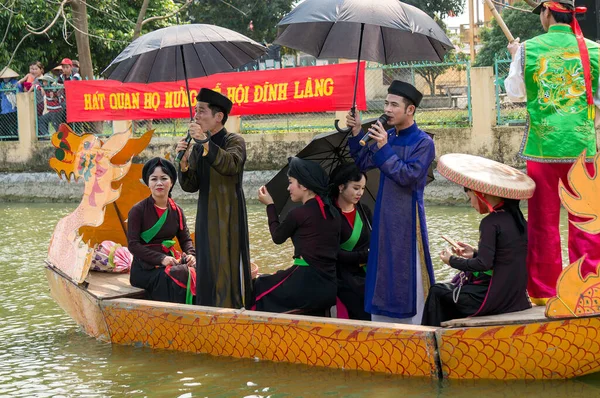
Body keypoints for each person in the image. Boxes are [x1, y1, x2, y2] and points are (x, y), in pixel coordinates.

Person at [504, 0, 600, 304]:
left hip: (543, 150)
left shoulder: (528, 49)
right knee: (585, 222)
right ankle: (587, 290)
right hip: (582, 151)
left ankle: (544, 293)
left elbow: (515, 93)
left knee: (543, 223)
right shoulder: (594, 50)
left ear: (547, 12)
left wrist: (514, 57)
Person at [345, 80, 435, 324]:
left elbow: (408, 176)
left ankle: (415, 329)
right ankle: (382, 327)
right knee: (382, 269)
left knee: (408, 273)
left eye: (394, 105)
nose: (387, 109)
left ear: (410, 110)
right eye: (386, 103)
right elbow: (363, 164)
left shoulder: (424, 143)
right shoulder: (389, 136)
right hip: (384, 218)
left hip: (407, 220)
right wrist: (356, 133)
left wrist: (384, 146)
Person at [421, 154, 534, 326]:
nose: (472, 204)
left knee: (437, 290)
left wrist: (452, 260)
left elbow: (483, 264)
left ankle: (430, 341)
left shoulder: (490, 222)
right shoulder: (519, 220)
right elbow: (504, 257)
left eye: (470, 198)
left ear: (480, 194)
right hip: (515, 296)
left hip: (494, 300)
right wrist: (473, 252)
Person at [176, 88, 252, 309]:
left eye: (201, 111)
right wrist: (183, 164)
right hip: (206, 215)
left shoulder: (234, 140)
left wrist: (205, 142)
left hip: (229, 215)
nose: (196, 116)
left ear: (218, 117)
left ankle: (234, 307)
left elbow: (230, 164)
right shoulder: (198, 147)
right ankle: (208, 309)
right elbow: (191, 186)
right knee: (207, 264)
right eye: (195, 111)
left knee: (228, 262)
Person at [252, 157, 340, 314]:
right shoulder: (333, 212)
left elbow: (277, 237)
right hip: (329, 286)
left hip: (306, 285)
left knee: (259, 287)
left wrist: (270, 206)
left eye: (291, 182)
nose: (288, 188)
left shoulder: (298, 213)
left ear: (304, 185)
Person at [128, 157, 196, 304]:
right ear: (148, 183)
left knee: (197, 269)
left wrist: (191, 255)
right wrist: (161, 259)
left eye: (164, 178)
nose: (159, 183)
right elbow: (133, 245)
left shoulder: (177, 211)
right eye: (154, 179)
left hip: (170, 262)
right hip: (144, 269)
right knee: (178, 273)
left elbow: (185, 240)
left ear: (171, 183)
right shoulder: (137, 210)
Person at [329, 163, 371, 321]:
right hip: (342, 275)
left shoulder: (364, 211)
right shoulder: (330, 214)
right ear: (341, 187)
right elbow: (333, 253)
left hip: (366, 271)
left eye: (363, 188)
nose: (360, 193)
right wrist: (364, 255)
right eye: (356, 188)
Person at [0, 67, 19, 140]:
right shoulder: (1, 84)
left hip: (13, 108)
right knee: (4, 125)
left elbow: (19, 91)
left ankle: (15, 137)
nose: (5, 78)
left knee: (14, 125)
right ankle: (6, 138)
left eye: (7, 76)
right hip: (4, 108)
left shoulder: (15, 83)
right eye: (4, 77)